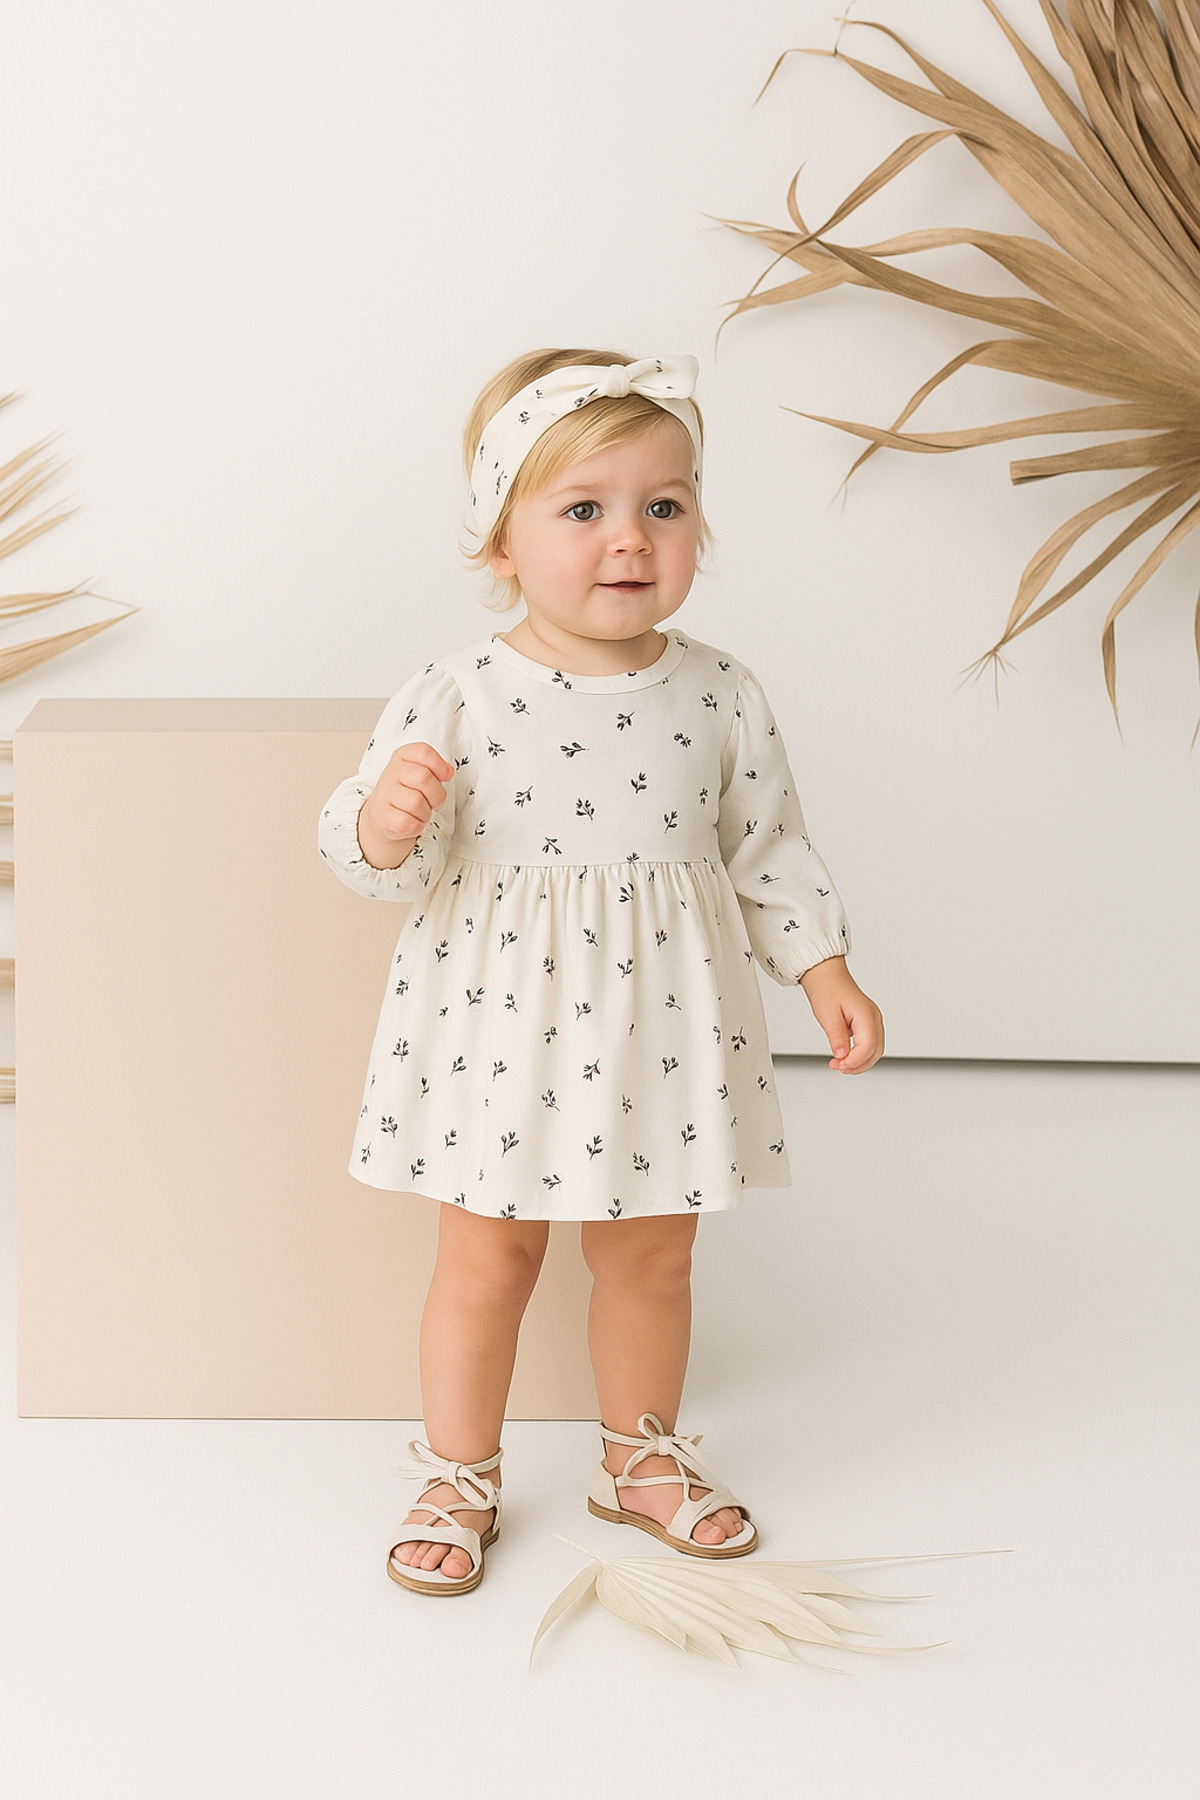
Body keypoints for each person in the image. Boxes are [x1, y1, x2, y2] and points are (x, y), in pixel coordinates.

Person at [318, 348, 884, 1595]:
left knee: (652, 1258)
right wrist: (385, 823)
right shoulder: (458, 693)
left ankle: (640, 1458)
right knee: (489, 1261)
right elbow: (374, 867)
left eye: (663, 506)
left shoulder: (720, 693)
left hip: (662, 1030)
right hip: (502, 1031)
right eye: (584, 508)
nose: (630, 538)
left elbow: (766, 846)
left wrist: (824, 966)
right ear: (500, 541)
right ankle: (459, 1471)